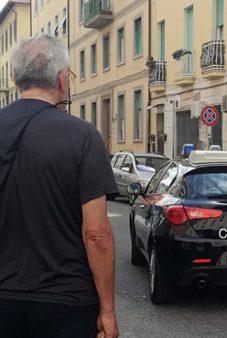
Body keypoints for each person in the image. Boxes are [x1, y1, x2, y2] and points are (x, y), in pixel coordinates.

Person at [0, 35, 119, 338]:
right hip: (68, 304)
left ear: (15, 79)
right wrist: (107, 309)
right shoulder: (82, 135)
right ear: (62, 79)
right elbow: (96, 233)